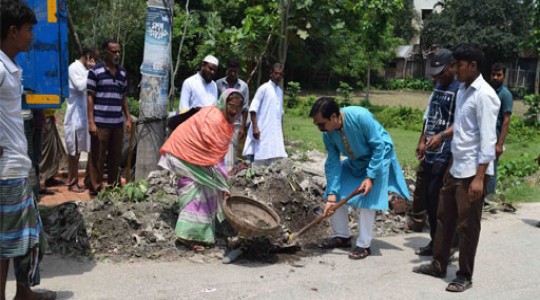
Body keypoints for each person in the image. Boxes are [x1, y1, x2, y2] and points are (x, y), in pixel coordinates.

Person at [413, 44, 500, 293]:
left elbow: (487, 140)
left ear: (473, 65)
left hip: (473, 172)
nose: (456, 70)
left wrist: (479, 178)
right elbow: (461, 128)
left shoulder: (485, 95)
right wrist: (443, 136)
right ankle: (438, 265)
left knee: (468, 226)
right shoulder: (463, 90)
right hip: (455, 166)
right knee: (443, 218)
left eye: (459, 65)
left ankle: (464, 275)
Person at [0, 1, 55, 299]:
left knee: (26, 238)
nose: (32, 36)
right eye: (28, 30)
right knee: (5, 244)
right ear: (12, 31)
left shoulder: (11, 67)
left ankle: (24, 293)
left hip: (17, 166)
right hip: (6, 170)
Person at [309, 97, 411, 260]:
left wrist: (370, 177)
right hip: (355, 162)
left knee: (366, 198)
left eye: (322, 124)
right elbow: (333, 162)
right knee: (336, 194)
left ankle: (364, 245)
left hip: (378, 158)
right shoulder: (328, 134)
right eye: (317, 125)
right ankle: (342, 236)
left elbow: (379, 146)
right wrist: (331, 195)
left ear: (334, 117)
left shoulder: (360, 116)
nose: (320, 128)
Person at [159, 89, 244, 251]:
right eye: (231, 106)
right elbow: (214, 161)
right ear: (224, 103)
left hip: (190, 156)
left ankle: (204, 232)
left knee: (207, 188)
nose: (234, 111)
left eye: (238, 108)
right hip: (183, 154)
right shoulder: (215, 120)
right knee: (198, 192)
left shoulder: (222, 119)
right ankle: (187, 235)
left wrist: (222, 184)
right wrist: (224, 185)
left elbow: (215, 158)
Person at [411, 48, 459, 256]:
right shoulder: (438, 87)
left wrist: (442, 137)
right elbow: (428, 116)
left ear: (452, 67)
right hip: (431, 151)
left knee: (441, 200)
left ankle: (448, 245)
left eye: (440, 72)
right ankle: (435, 241)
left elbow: (463, 123)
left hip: (447, 152)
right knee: (430, 199)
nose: (436, 77)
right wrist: (422, 140)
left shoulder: (460, 90)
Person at [85, 39, 132, 195]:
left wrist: (128, 118)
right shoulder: (95, 71)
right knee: (97, 157)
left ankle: (113, 187)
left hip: (117, 123)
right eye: (113, 51)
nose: (117, 54)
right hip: (100, 122)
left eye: (119, 51)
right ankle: (95, 188)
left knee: (115, 157)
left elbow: (123, 98)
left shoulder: (122, 73)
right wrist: (91, 122)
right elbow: (90, 97)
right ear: (106, 52)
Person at [64, 47, 97, 193]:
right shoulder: (74, 68)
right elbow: (80, 86)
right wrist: (92, 72)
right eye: (94, 59)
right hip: (75, 116)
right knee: (74, 152)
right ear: (88, 56)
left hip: (86, 116)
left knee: (89, 149)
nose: (95, 63)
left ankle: (89, 180)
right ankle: (72, 182)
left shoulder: (85, 70)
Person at [242, 63, 287, 167]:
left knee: (274, 158)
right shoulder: (264, 88)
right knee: (260, 157)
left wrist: (282, 132)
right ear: (271, 73)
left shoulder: (279, 92)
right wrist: (255, 128)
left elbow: (280, 114)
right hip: (262, 129)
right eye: (276, 73)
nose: (278, 76)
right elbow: (253, 109)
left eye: (280, 74)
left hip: (275, 132)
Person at [216, 60, 249, 172]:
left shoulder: (243, 86)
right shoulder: (218, 84)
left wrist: (242, 127)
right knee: (220, 145)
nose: (233, 74)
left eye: (235, 71)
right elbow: (216, 104)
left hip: (236, 123)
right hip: (221, 122)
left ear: (238, 71)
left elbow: (245, 108)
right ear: (227, 70)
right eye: (230, 71)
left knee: (233, 146)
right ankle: (219, 170)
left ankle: (229, 171)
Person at [486, 62, 513, 197]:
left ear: (504, 76)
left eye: (499, 75)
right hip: (485, 133)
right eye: (494, 74)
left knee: (491, 167)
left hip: (495, 135)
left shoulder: (505, 94)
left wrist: (500, 144)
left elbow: (506, 120)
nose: (496, 77)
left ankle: (489, 198)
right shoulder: (488, 90)